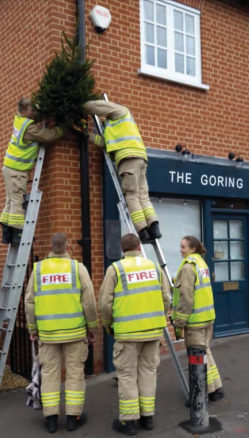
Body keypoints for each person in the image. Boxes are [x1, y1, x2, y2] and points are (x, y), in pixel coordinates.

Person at [25, 232, 98, 433]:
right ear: (67, 247)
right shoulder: (77, 268)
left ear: (51, 247)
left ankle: (50, 419)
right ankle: (73, 418)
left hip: (48, 334)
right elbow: (89, 302)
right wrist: (93, 328)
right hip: (75, 333)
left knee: (49, 375)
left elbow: (29, 303)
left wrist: (33, 329)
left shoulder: (38, 270)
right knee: (75, 374)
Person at [99, 233, 170, 436]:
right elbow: (166, 298)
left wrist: (108, 325)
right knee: (148, 373)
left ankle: (128, 422)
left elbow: (105, 304)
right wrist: (159, 318)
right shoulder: (155, 268)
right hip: (152, 332)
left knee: (127, 376)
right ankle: (148, 418)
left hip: (127, 334)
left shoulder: (116, 269)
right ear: (139, 247)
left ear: (123, 250)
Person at [83, 100, 161, 243]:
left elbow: (93, 106)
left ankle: (142, 231)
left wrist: (80, 103)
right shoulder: (118, 125)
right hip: (141, 157)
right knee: (143, 195)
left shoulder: (120, 111)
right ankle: (154, 226)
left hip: (127, 158)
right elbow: (104, 143)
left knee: (131, 195)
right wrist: (87, 134)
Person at [0, 97, 64, 245]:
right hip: (16, 170)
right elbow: (48, 136)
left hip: (9, 167)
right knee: (17, 201)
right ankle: (17, 235)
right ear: (23, 111)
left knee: (10, 200)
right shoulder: (29, 127)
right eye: (31, 109)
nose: (34, 112)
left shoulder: (19, 121)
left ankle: (7, 233)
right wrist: (62, 129)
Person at [172, 235, 224, 402]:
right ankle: (216, 388)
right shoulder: (201, 263)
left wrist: (179, 322)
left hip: (195, 322)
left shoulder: (188, 267)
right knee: (206, 352)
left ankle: (202, 394)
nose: (181, 249)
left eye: (183, 247)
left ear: (192, 249)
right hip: (207, 318)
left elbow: (187, 298)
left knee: (197, 358)